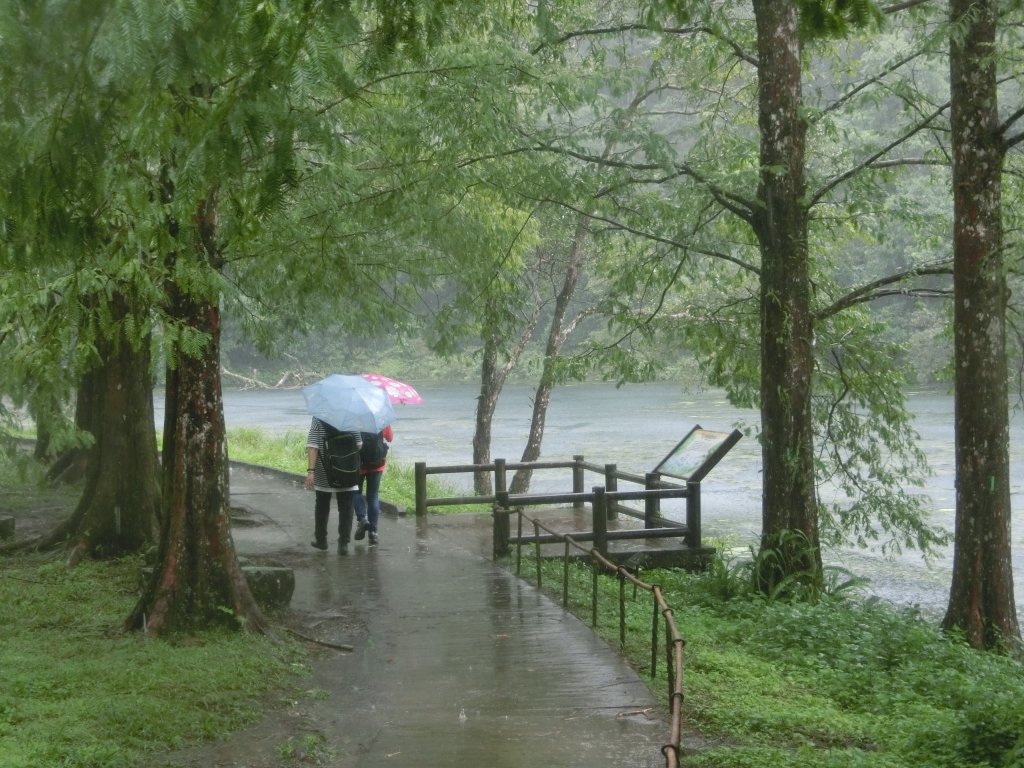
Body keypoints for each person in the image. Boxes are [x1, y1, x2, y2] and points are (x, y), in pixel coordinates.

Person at [305, 418, 362, 554]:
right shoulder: (350, 417)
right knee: (346, 507)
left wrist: (311, 472)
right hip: (347, 471)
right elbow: (359, 444)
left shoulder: (318, 418)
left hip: (325, 471)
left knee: (322, 506)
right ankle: (343, 544)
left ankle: (321, 540)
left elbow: (313, 447)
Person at [354, 424, 393, 546]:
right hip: (377, 464)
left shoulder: (354, 418)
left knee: (355, 492)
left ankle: (362, 518)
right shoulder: (380, 418)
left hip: (358, 463)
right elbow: (390, 438)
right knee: (373, 496)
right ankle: (373, 532)